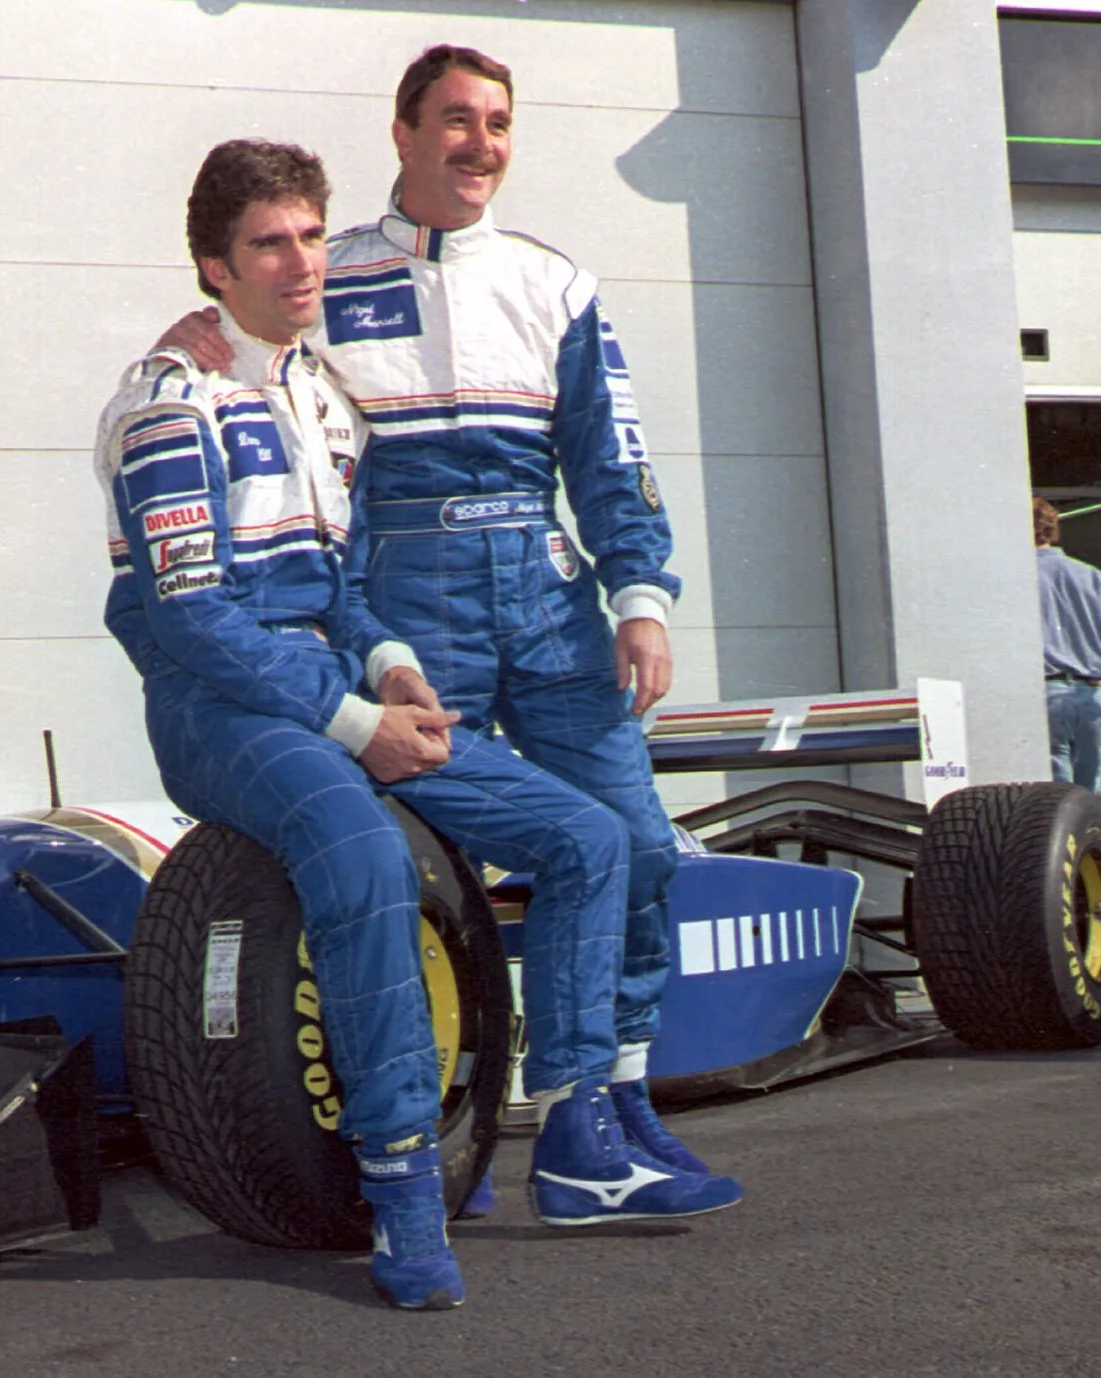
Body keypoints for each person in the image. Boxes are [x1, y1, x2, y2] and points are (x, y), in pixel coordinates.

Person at [96, 138, 739, 1311]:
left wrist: (389, 667)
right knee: (356, 849)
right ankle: (399, 1186)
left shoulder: (324, 395)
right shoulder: (164, 401)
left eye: (306, 237)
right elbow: (187, 621)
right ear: (212, 268)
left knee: (588, 839)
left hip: (329, 692)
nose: (299, 265)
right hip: (217, 710)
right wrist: (352, 724)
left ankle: (574, 1133)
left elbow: (335, 589)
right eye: (266, 245)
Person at [1035, 496, 1101, 792]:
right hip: (1093, 694)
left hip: (1046, 692)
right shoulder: (1092, 576)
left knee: (1056, 795)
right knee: (1090, 795)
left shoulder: (1015, 576)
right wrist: (1098, 675)